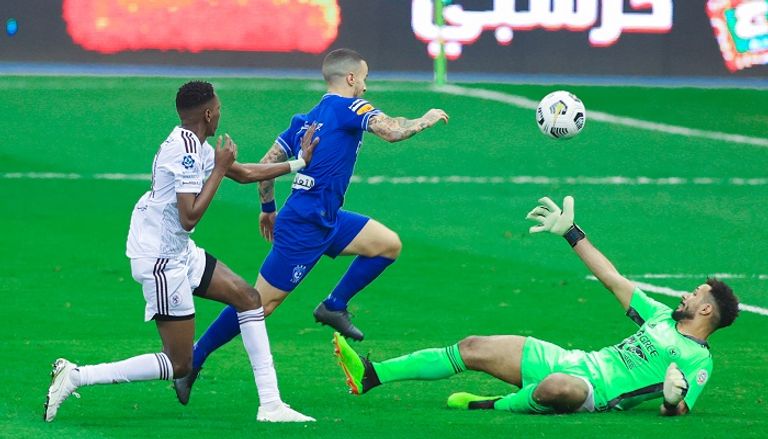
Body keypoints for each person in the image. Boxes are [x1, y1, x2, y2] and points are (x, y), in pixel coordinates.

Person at [172, 48, 449, 404]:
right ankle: (194, 359)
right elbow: (393, 131)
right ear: (351, 78)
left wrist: (267, 209)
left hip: (326, 218)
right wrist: (427, 118)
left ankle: (334, 305)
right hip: (304, 227)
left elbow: (267, 164)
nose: (365, 86)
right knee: (258, 305)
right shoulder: (351, 107)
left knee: (387, 245)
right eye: (364, 78)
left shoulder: (304, 120)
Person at [43, 81, 319, 423]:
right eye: (219, 109)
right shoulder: (185, 152)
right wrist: (219, 168)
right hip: (161, 259)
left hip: (177, 249)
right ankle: (75, 376)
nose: (220, 114)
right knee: (179, 363)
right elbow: (189, 217)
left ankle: (271, 405)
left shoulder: (195, 143)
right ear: (208, 114)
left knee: (248, 298)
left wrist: (298, 163)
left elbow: (245, 173)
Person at [333, 196, 740, 416]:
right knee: (473, 346)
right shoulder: (660, 316)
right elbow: (612, 278)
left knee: (555, 387)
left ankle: (487, 404)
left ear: (707, 311)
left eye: (695, 295)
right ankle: (372, 375)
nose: (686, 296)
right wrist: (571, 233)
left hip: (593, 393)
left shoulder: (698, 360)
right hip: (574, 360)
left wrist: (670, 400)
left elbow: (680, 410)